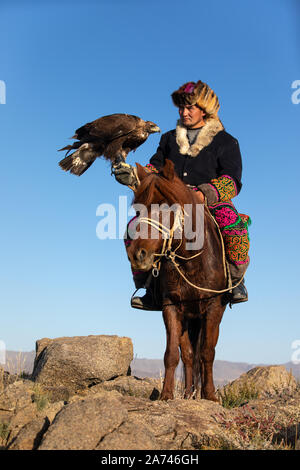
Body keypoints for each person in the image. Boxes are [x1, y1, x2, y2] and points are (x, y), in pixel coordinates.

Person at [112, 80, 250, 309]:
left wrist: (204, 194)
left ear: (204, 110)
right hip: (169, 204)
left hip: (208, 202)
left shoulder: (226, 141)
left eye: (189, 108)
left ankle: (235, 281)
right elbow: (154, 169)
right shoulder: (168, 139)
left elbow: (232, 180)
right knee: (133, 228)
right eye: (181, 108)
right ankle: (147, 286)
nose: (183, 113)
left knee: (233, 225)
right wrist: (135, 177)